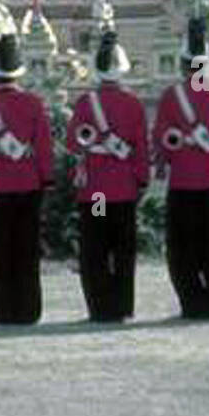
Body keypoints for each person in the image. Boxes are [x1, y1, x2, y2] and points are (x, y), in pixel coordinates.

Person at [0, 33, 53, 325]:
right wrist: (47, 178)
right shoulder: (34, 103)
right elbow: (43, 147)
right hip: (29, 184)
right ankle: (28, 309)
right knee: (27, 249)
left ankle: (4, 308)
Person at [152, 15, 209, 319]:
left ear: (184, 65)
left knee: (182, 249)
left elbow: (160, 140)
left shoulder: (171, 97)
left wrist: (162, 166)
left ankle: (192, 301)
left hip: (183, 182)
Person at [66, 29, 149, 322]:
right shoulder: (134, 104)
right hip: (125, 188)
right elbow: (141, 148)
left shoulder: (87, 104)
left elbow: (73, 143)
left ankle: (100, 307)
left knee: (96, 248)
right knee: (124, 250)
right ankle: (123, 305)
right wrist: (141, 180)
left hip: (97, 191)